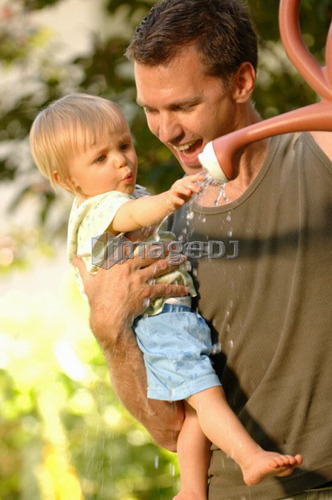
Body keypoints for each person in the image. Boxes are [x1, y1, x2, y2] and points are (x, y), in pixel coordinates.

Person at [59, 1, 332, 499]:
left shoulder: (315, 156)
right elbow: (168, 428)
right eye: (150, 110)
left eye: (184, 106)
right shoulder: (161, 227)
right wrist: (110, 330)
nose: (165, 131)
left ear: (242, 82)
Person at [29, 92, 303, 500]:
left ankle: (191, 490)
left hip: (169, 318)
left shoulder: (127, 194)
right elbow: (132, 218)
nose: (122, 161)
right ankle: (248, 457)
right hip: (159, 322)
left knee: (196, 410)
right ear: (67, 180)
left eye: (123, 145)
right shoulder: (97, 210)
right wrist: (169, 197)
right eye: (100, 159)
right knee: (207, 397)